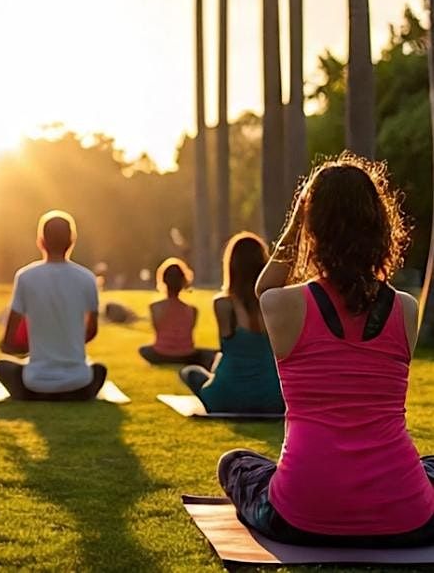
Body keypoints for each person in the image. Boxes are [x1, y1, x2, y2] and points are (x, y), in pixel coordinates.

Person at [219, 158, 434, 546]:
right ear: (380, 226)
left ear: (312, 228)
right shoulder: (407, 308)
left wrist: (300, 221)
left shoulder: (282, 304)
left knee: (235, 463)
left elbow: (262, 286)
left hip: (302, 513)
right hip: (406, 516)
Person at [0, 211, 106, 401]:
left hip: (36, 380)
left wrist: (25, 350)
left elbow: (10, 337)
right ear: (72, 241)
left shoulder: (25, 276)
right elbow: (91, 331)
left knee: (2, 366)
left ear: (41, 241)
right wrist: (67, 344)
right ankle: (71, 392)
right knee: (99, 369)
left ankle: (34, 393)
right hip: (77, 380)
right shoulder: (87, 278)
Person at [179, 232, 284, 414]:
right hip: (271, 397)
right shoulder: (275, 303)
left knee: (190, 373)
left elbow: (226, 348)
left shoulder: (222, 304)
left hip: (227, 397)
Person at [138, 257, 215, 367]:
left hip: (161, 354)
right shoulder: (193, 310)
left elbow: (157, 330)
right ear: (183, 282)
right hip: (187, 355)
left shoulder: (155, 307)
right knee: (210, 353)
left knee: (144, 350)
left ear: (163, 281)